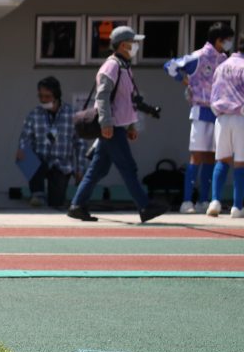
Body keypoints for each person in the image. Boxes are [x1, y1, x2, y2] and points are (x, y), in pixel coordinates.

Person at [68, 26, 169, 223]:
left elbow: (126, 100)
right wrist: (106, 123)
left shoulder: (123, 66)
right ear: (123, 45)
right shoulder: (112, 66)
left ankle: (77, 205)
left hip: (116, 126)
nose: (136, 46)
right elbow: (103, 96)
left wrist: (131, 126)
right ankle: (145, 206)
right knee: (128, 167)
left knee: (98, 169)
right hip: (111, 127)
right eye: (133, 43)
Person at [164, 23, 231, 213]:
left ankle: (203, 200)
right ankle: (187, 201)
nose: (229, 43)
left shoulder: (224, 59)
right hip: (200, 111)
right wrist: (184, 80)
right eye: (227, 39)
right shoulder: (198, 56)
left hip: (218, 113)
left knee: (211, 157)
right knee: (197, 156)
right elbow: (170, 65)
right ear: (218, 40)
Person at [16, 76, 87, 208]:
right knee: (25, 154)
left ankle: (54, 208)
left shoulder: (73, 114)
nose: (43, 100)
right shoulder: (34, 115)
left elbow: (80, 144)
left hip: (62, 163)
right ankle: (37, 195)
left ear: (57, 96)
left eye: (47, 96)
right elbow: (25, 138)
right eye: (41, 96)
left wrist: (80, 169)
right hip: (40, 160)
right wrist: (22, 150)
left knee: (56, 204)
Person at [206, 41, 244, 218]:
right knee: (241, 162)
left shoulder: (221, 66)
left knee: (221, 160)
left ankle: (215, 201)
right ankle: (237, 206)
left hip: (221, 117)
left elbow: (213, 92)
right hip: (241, 116)